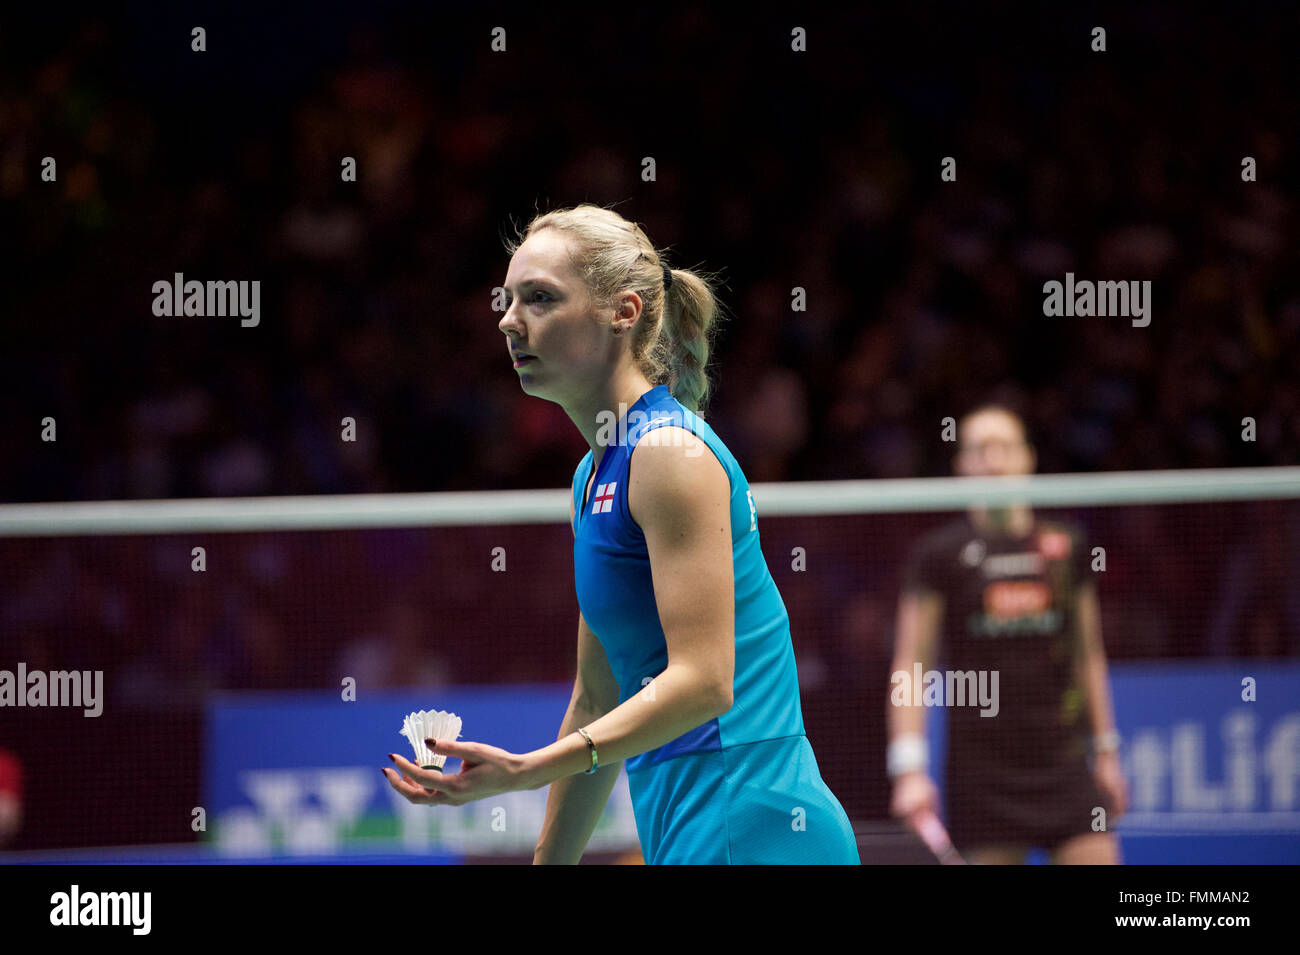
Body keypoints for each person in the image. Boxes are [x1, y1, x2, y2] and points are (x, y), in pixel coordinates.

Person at [383, 203, 859, 864]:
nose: (509, 319)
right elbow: (596, 695)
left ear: (623, 311)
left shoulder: (668, 453)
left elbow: (706, 680)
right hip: (684, 815)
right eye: (509, 298)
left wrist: (530, 768)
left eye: (541, 298)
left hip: (752, 816)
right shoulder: (594, 474)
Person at [887, 404, 1128, 864]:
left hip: (1064, 760)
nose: (993, 461)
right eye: (979, 450)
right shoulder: (939, 555)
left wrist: (1108, 752)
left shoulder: (1066, 547)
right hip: (982, 771)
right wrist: (908, 768)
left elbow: (1088, 656)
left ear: (1028, 459)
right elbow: (911, 664)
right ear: (962, 467)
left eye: (1004, 448)